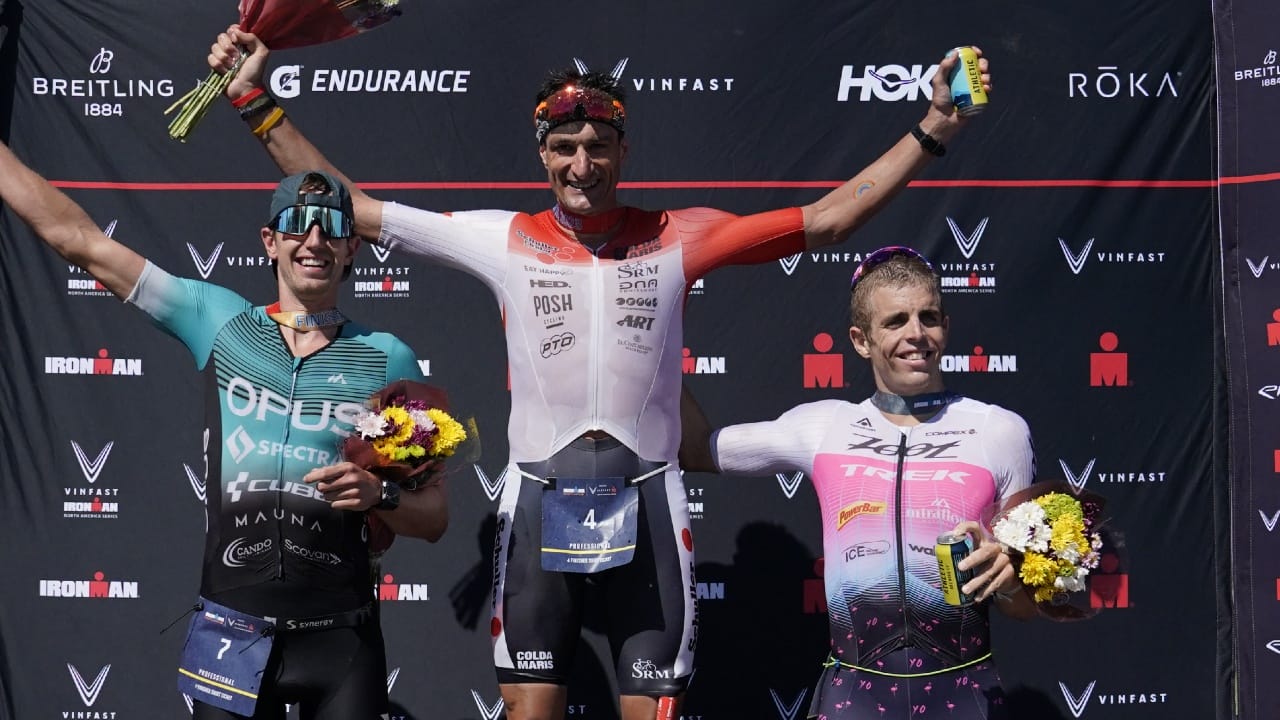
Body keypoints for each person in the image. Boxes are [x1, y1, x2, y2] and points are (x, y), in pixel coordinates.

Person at [208, 29, 992, 720]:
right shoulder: (502, 237)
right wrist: (253, 102)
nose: (582, 164)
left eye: (598, 146)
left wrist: (936, 126)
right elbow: (358, 207)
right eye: (564, 147)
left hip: (648, 501)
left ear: (623, 151)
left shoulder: (677, 235)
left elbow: (829, 218)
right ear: (542, 155)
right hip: (536, 503)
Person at [0, 143, 448, 720]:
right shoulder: (219, 322)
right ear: (270, 241)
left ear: (351, 247)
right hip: (231, 635)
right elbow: (78, 240)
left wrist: (380, 496)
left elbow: (434, 516)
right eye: (296, 225)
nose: (314, 241)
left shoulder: (387, 358)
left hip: (341, 638)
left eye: (333, 227)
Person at [679, 246, 1037, 720]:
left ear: (946, 327)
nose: (916, 334)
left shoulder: (999, 431)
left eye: (928, 317)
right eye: (895, 321)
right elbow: (698, 449)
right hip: (856, 695)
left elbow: (1023, 607)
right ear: (861, 339)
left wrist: (1013, 579)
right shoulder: (825, 426)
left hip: (964, 690)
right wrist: (652, 349)